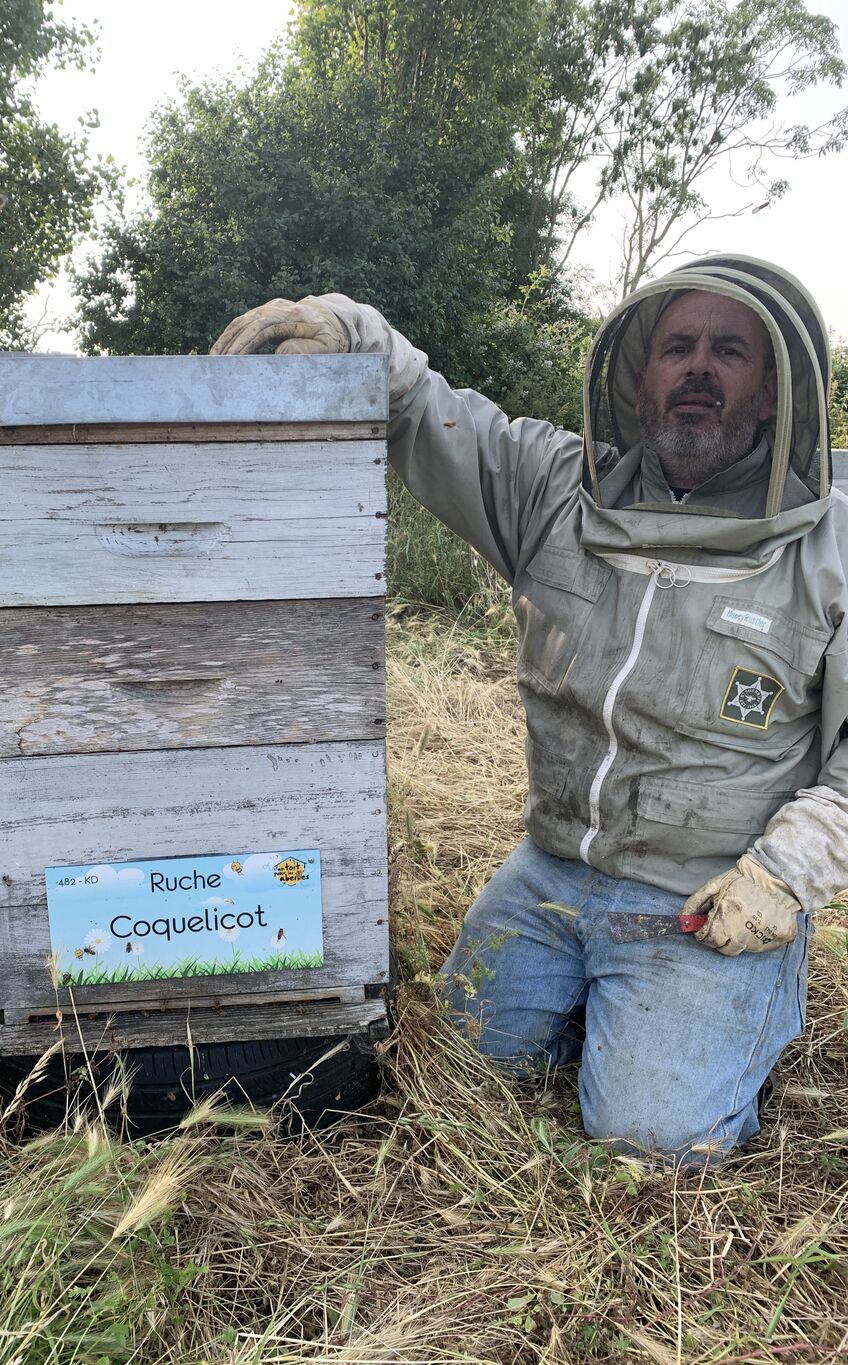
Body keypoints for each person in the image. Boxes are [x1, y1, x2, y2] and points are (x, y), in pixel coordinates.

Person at [211, 257, 848, 1164]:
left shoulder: (830, 549)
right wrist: (346, 331)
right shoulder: (556, 488)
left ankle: (729, 1016)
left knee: (652, 1139)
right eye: (679, 347)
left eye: (729, 350)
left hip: (704, 897)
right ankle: (612, 1005)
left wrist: (783, 875)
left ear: (775, 383)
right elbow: (432, 412)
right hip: (552, 872)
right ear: (640, 376)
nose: (698, 368)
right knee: (446, 1062)